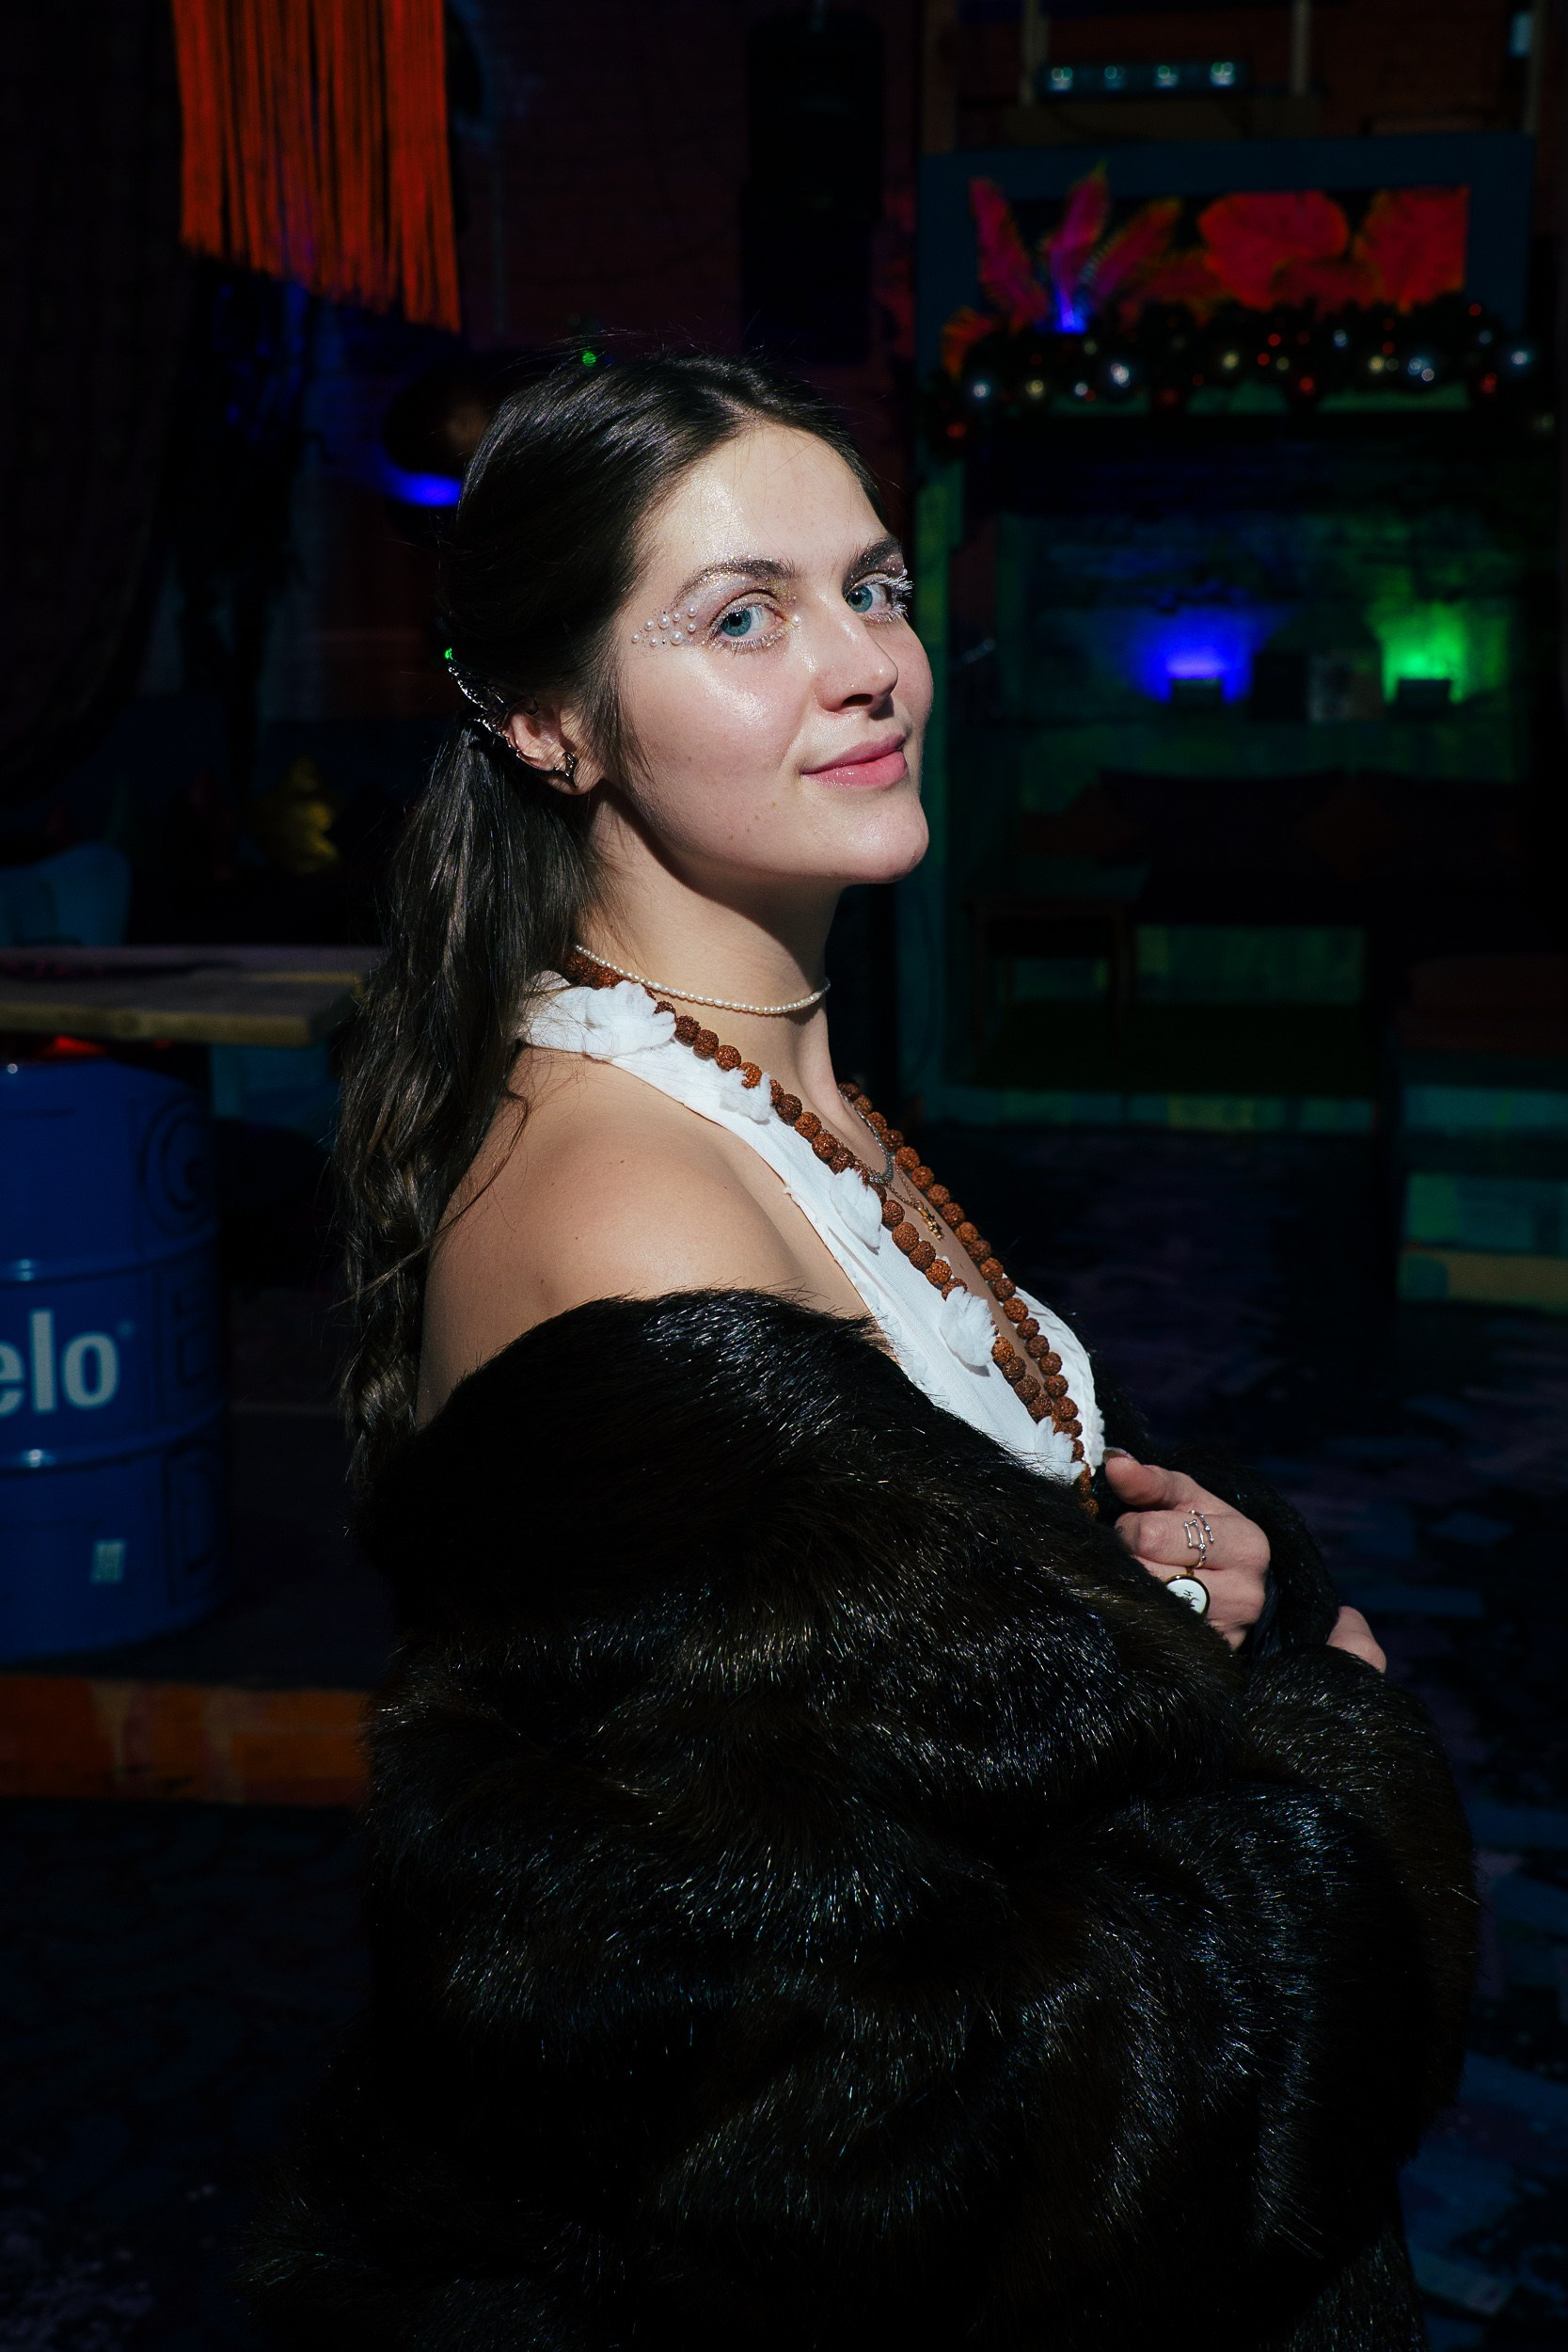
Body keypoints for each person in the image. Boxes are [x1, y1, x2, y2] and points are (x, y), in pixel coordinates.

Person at [244, 355, 1474, 2351]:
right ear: (549, 720)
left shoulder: (763, 1080)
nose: (868, 666)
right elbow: (857, 2106)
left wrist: (1192, 1585)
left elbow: (930, 1644)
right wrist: (1333, 1763)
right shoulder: (632, 1210)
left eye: (875, 587)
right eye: (745, 617)